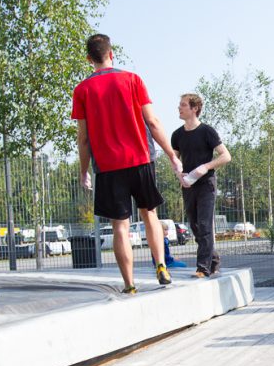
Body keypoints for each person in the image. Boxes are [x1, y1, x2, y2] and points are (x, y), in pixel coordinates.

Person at [73, 33, 182, 293]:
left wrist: (84, 171)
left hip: (109, 167)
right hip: (141, 159)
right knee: (149, 214)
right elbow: (153, 123)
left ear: (89, 59)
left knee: (120, 225)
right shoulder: (132, 79)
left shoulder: (83, 90)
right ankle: (160, 265)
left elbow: (83, 139)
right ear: (112, 53)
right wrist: (171, 154)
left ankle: (129, 284)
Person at [171, 93, 231, 278]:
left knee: (205, 224)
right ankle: (213, 260)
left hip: (206, 184)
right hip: (188, 185)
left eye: (183, 105)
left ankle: (202, 268)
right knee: (195, 226)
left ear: (194, 108)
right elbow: (174, 159)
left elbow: (225, 156)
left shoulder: (207, 131)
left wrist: (206, 167)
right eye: (179, 105)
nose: (179, 108)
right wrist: (179, 174)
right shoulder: (177, 134)